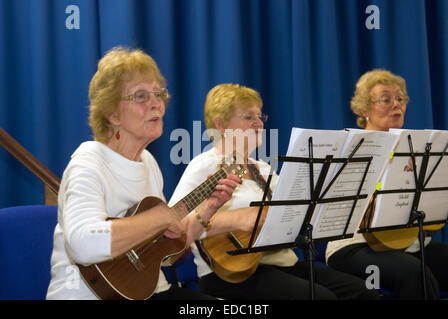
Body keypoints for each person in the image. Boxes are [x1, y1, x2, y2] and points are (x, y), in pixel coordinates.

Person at [46, 47, 240, 300]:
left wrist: (208, 208)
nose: (156, 103)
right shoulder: (87, 163)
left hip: (150, 291)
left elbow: (164, 251)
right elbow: (83, 245)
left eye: (158, 94)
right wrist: (160, 217)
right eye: (140, 96)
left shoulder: (147, 161)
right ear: (112, 114)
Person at [168, 83, 380, 300]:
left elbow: (291, 212)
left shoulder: (263, 169)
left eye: (260, 116)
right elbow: (175, 230)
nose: (258, 123)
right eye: (249, 116)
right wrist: (238, 220)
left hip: (282, 262)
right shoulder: (204, 165)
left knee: (363, 291)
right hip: (231, 274)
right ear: (221, 125)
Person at [326, 69, 448, 299]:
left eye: (400, 98)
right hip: (355, 247)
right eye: (386, 99)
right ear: (364, 109)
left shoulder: (415, 147)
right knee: (415, 274)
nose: (396, 105)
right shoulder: (350, 148)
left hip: (407, 242)